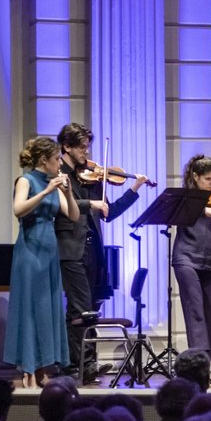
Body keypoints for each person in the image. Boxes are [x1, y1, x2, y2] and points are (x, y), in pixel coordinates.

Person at [54, 123, 149, 384]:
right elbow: (63, 207)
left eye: (88, 147)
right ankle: (76, 365)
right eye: (82, 147)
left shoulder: (91, 177)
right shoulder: (59, 174)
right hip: (70, 249)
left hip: (93, 249)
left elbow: (108, 213)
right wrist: (90, 203)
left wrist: (134, 189)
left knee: (91, 308)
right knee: (79, 308)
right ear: (67, 147)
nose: (86, 152)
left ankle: (88, 363)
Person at [4, 137, 80, 388]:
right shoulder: (26, 180)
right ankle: (26, 368)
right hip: (29, 250)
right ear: (43, 160)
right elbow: (18, 209)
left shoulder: (55, 184)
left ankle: (42, 366)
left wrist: (67, 192)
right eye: (57, 158)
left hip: (49, 251)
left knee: (47, 309)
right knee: (30, 308)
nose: (60, 163)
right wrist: (46, 192)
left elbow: (73, 215)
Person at [173, 154, 211, 359]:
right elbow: (185, 210)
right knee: (195, 310)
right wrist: (205, 209)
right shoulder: (185, 196)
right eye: (208, 179)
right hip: (186, 258)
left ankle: (207, 362)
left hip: (209, 259)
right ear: (196, 176)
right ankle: (198, 361)